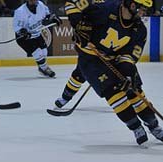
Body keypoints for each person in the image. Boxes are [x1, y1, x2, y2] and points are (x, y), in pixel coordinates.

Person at [65, 0, 163, 145]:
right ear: (132, 5)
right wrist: (78, 24)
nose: (144, 13)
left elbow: (130, 56)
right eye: (143, 9)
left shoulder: (139, 29)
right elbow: (71, 3)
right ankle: (135, 126)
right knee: (114, 95)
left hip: (115, 60)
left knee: (135, 92)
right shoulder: (106, 9)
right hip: (90, 59)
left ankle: (154, 126)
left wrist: (128, 74)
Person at [13, 0, 62, 78]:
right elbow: (17, 27)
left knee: (44, 52)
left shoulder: (41, 5)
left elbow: (48, 14)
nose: (34, 1)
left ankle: (41, 67)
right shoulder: (20, 11)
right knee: (38, 53)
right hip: (24, 38)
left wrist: (54, 18)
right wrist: (23, 32)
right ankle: (45, 69)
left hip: (37, 34)